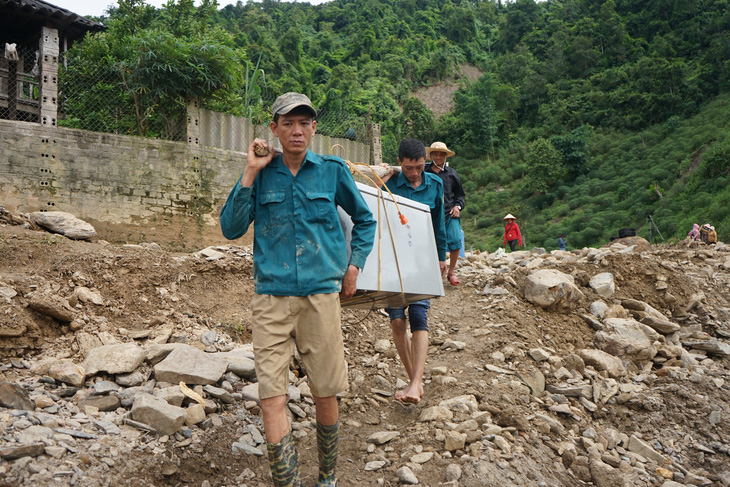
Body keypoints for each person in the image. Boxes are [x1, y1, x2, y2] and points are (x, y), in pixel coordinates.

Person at [219, 92, 376, 487]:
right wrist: (250, 171)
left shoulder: (332, 171)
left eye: (304, 122)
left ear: (313, 128)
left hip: (321, 298)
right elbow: (231, 228)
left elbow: (365, 220)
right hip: (271, 298)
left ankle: (327, 478)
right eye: (288, 123)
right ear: (274, 128)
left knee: (325, 393)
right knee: (272, 397)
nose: (297, 130)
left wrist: (354, 265)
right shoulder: (263, 172)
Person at [379, 138, 447, 404]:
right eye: (409, 168)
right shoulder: (389, 183)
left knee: (419, 315)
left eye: (420, 167)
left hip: (422, 258)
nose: (415, 173)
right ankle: (413, 382)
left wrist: (441, 257)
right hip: (394, 260)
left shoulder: (436, 184)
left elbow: (438, 223)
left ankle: (415, 383)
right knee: (397, 319)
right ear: (400, 163)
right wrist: (379, 180)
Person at [425, 141, 466, 286]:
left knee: (455, 240)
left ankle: (451, 272)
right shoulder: (423, 172)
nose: (438, 157)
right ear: (430, 156)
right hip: (428, 214)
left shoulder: (451, 174)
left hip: (449, 213)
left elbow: (460, 195)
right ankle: (430, 272)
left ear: (445, 156)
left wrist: (457, 207)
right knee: (429, 244)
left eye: (441, 154)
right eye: (435, 154)